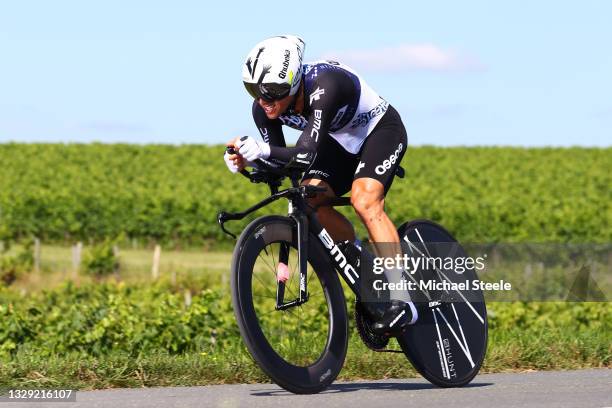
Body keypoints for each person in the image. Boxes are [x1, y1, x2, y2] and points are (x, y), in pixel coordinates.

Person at [224, 35, 418, 334]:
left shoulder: (325, 85)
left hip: (379, 130)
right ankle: (365, 270)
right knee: (309, 198)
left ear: (292, 83)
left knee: (364, 200)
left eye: (272, 92)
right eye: (254, 91)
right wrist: (248, 162)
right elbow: (281, 163)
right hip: (339, 142)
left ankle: (404, 300)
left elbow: (306, 152)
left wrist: (262, 151)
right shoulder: (263, 108)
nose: (264, 102)